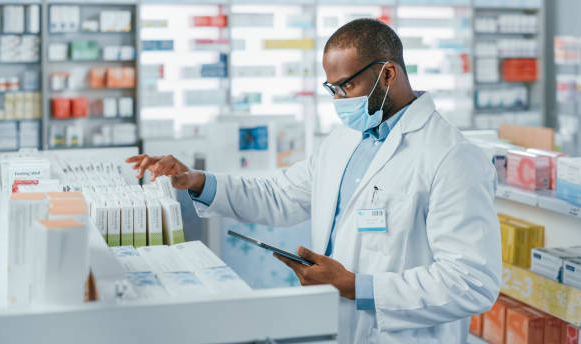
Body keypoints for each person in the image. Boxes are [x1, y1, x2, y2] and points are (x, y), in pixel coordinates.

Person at [126, 18, 502, 343]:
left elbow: (471, 282)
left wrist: (358, 287)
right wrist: (194, 180)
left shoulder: (452, 156)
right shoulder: (345, 139)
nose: (339, 100)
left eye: (347, 87)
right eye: (332, 89)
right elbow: (280, 195)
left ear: (387, 73)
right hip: (340, 326)